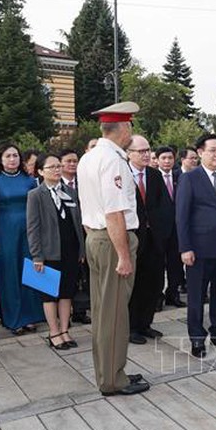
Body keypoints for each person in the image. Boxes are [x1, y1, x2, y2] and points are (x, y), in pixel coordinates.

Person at [77, 100, 149, 396]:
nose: (131, 129)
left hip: (95, 237)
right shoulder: (114, 160)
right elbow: (115, 212)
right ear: (123, 128)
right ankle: (112, 379)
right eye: (130, 124)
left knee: (103, 311)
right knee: (116, 314)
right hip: (111, 240)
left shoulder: (89, 158)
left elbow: (88, 207)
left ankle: (109, 372)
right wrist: (123, 255)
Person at [176, 133, 216, 358]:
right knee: (196, 296)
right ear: (201, 152)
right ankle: (197, 339)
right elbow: (182, 216)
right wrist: (185, 248)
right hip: (198, 249)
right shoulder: (190, 178)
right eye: (212, 150)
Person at [0, 144, 45, 334]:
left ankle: (32, 315)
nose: (12, 159)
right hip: (4, 233)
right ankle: (14, 319)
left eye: (16, 156)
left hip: (30, 231)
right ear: (0, 160)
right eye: (8, 156)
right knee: (9, 274)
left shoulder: (30, 180)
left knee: (32, 271)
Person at [26, 154, 85, 350]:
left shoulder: (70, 192)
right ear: (41, 171)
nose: (57, 169)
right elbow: (32, 228)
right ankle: (54, 332)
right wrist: (37, 256)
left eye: (59, 166)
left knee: (67, 292)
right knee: (49, 295)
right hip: (48, 252)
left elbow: (77, 222)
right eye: (51, 167)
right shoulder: (35, 195)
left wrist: (81, 249)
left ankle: (65, 329)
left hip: (70, 249)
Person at [126, 135, 171, 345]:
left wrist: (162, 233)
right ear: (128, 153)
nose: (146, 155)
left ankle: (145, 323)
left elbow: (165, 207)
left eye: (147, 150)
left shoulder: (154, 175)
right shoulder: (122, 175)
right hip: (133, 239)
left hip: (155, 240)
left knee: (152, 283)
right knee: (134, 285)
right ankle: (131, 327)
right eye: (140, 151)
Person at [59, 148, 91, 325]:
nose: (72, 164)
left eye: (75, 161)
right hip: (66, 237)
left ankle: (80, 310)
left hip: (85, 232)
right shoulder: (54, 185)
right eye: (68, 161)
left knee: (83, 274)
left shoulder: (84, 182)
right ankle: (63, 314)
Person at [155, 146, 186, 308]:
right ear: (158, 160)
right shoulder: (152, 177)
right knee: (159, 264)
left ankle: (173, 294)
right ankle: (157, 296)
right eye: (163, 158)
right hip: (159, 230)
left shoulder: (180, 177)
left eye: (170, 158)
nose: (167, 161)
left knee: (175, 263)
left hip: (177, 228)